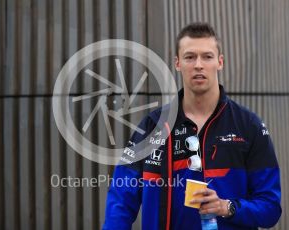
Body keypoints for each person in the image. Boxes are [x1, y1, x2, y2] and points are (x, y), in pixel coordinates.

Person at [102, 22, 281, 230]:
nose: (198, 65)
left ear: (220, 62)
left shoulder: (249, 127)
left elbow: (270, 208)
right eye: (190, 57)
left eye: (207, 56)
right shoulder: (152, 127)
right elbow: (120, 201)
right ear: (177, 63)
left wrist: (227, 207)